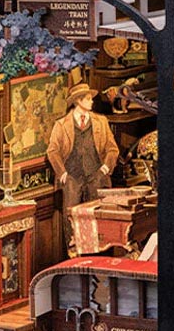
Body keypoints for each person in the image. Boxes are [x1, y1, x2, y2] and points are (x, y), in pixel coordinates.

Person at [46, 83, 119, 251]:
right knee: (72, 219)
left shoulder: (101, 122)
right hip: (72, 178)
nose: (92, 101)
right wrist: (63, 173)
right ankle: (74, 255)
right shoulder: (62, 125)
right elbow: (52, 151)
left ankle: (99, 257)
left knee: (98, 218)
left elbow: (112, 149)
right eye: (88, 99)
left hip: (96, 177)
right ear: (78, 101)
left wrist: (105, 168)